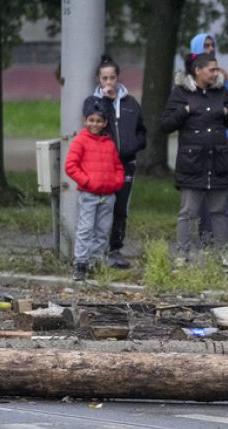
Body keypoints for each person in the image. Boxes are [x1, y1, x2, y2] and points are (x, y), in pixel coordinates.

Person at [159, 52, 228, 259]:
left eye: (217, 69)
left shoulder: (221, 92)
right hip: (192, 163)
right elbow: (166, 125)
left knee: (219, 211)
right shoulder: (180, 93)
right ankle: (182, 255)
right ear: (198, 70)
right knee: (188, 212)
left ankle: (223, 255)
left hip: (218, 162)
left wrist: (226, 112)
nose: (217, 73)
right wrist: (185, 110)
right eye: (212, 69)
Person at [184, 32, 228, 245]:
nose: (210, 48)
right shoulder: (186, 83)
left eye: (212, 45)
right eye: (206, 45)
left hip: (219, 145)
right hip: (196, 149)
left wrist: (226, 82)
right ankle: (207, 238)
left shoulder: (221, 78)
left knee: (224, 195)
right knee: (198, 199)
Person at [94, 55, 146, 269]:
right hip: (103, 166)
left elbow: (141, 131)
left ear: (118, 78)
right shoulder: (95, 102)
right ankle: (98, 250)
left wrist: (134, 146)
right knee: (102, 207)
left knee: (121, 207)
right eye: (105, 78)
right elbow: (94, 126)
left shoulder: (130, 103)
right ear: (98, 79)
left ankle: (115, 249)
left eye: (112, 77)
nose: (109, 82)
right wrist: (106, 101)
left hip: (126, 163)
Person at [64, 97, 125, 280]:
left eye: (99, 121)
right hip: (89, 194)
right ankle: (80, 263)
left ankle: (94, 262)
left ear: (105, 122)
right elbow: (71, 166)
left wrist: (116, 183)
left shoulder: (109, 144)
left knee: (102, 230)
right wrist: (88, 182)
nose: (95, 124)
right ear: (85, 121)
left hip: (108, 195)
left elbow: (118, 167)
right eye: (91, 120)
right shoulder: (80, 141)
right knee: (85, 229)